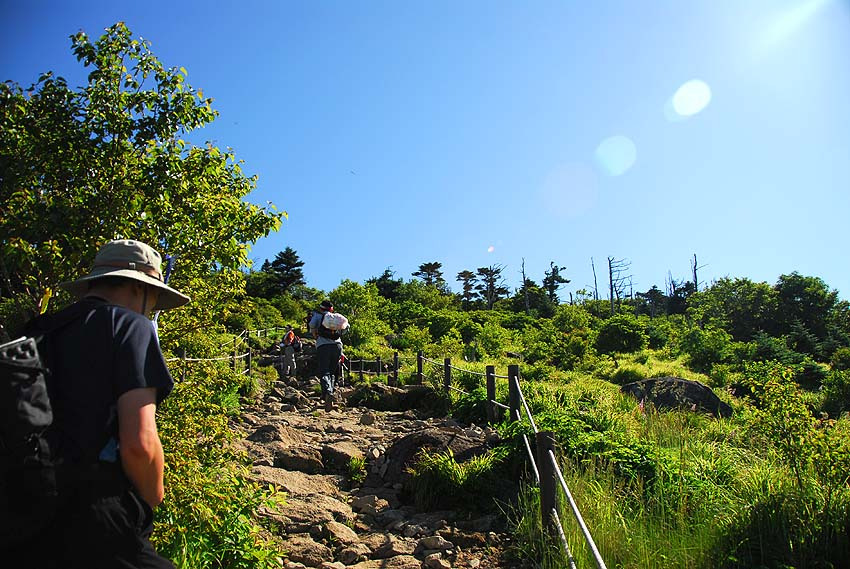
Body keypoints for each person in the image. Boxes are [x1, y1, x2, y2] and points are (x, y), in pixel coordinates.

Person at [9, 239, 189, 569]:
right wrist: (150, 500)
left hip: (23, 510)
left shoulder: (39, 329)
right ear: (141, 289)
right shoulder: (131, 326)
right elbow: (140, 444)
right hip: (98, 510)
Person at [309, 300, 346, 411]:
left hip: (323, 345)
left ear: (321, 308)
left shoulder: (318, 316)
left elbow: (311, 325)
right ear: (331, 309)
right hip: (338, 346)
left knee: (324, 371)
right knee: (333, 370)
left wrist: (314, 332)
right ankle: (331, 391)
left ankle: (328, 393)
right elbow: (345, 329)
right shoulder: (336, 318)